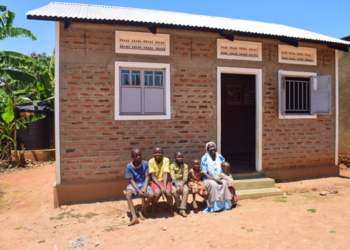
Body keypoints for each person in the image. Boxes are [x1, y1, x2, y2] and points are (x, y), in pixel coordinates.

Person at [125, 148, 154, 226]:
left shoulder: (145, 163)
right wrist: (138, 190)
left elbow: (147, 177)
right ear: (132, 157)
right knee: (128, 195)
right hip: (133, 184)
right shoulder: (129, 166)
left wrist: (144, 189)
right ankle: (134, 217)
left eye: (139, 155)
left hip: (143, 183)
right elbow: (131, 179)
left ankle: (140, 210)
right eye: (136, 155)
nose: (138, 157)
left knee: (151, 195)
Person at [201, 142, 232, 213]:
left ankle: (225, 205)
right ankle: (214, 207)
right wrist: (215, 179)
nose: (212, 149)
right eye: (210, 147)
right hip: (209, 178)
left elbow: (224, 169)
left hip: (219, 177)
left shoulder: (220, 157)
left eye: (213, 147)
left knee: (224, 183)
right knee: (214, 184)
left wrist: (221, 178)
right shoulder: (205, 158)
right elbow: (204, 173)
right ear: (207, 149)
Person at [149, 147, 174, 216]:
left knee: (168, 193)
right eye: (155, 153)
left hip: (164, 181)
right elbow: (153, 176)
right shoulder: (151, 161)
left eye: (159, 152)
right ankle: (152, 207)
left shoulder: (166, 160)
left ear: (162, 153)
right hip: (155, 181)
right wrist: (161, 187)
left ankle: (171, 207)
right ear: (153, 154)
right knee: (157, 193)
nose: (157, 154)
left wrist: (164, 188)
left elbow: (165, 174)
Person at [170, 151, 189, 217]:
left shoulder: (185, 165)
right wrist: (177, 186)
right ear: (174, 158)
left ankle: (182, 208)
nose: (180, 158)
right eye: (178, 157)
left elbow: (185, 176)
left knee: (186, 190)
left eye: (181, 157)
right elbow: (172, 176)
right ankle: (178, 207)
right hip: (174, 182)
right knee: (175, 191)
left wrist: (181, 185)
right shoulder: (172, 165)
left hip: (182, 182)